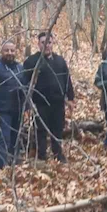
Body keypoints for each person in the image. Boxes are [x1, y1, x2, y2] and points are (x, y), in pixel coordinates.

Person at [23, 32, 74, 163]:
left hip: (58, 103)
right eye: (43, 42)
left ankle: (58, 154)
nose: (47, 45)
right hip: (39, 104)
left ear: (53, 43)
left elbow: (67, 79)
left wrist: (71, 98)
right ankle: (42, 155)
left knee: (57, 128)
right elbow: (24, 83)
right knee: (40, 130)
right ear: (38, 44)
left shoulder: (60, 61)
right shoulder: (31, 61)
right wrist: (27, 105)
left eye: (49, 42)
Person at [0, 41, 26, 169]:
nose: (9, 53)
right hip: (3, 110)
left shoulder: (20, 68)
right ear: (1, 52)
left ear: (15, 52)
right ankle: (0, 166)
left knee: (16, 137)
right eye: (6, 50)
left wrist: (27, 108)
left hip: (18, 110)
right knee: (4, 138)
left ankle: (14, 163)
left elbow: (25, 89)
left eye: (12, 50)